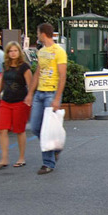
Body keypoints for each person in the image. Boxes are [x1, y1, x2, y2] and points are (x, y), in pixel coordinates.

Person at [24, 23, 67, 175]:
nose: (36, 35)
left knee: (46, 130)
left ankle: (48, 163)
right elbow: (37, 73)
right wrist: (30, 93)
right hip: (39, 93)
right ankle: (55, 148)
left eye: (37, 32)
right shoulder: (41, 52)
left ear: (43, 34)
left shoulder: (59, 52)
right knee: (35, 127)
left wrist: (57, 98)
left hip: (51, 93)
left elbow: (62, 76)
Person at [0, 41, 32, 170]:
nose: (13, 53)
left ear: (19, 52)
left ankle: (21, 158)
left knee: (19, 130)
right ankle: (4, 158)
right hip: (6, 100)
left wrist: (29, 97)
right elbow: (2, 81)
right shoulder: (6, 66)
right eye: (10, 51)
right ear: (8, 53)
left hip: (20, 101)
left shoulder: (24, 67)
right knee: (2, 129)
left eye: (15, 50)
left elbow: (30, 84)